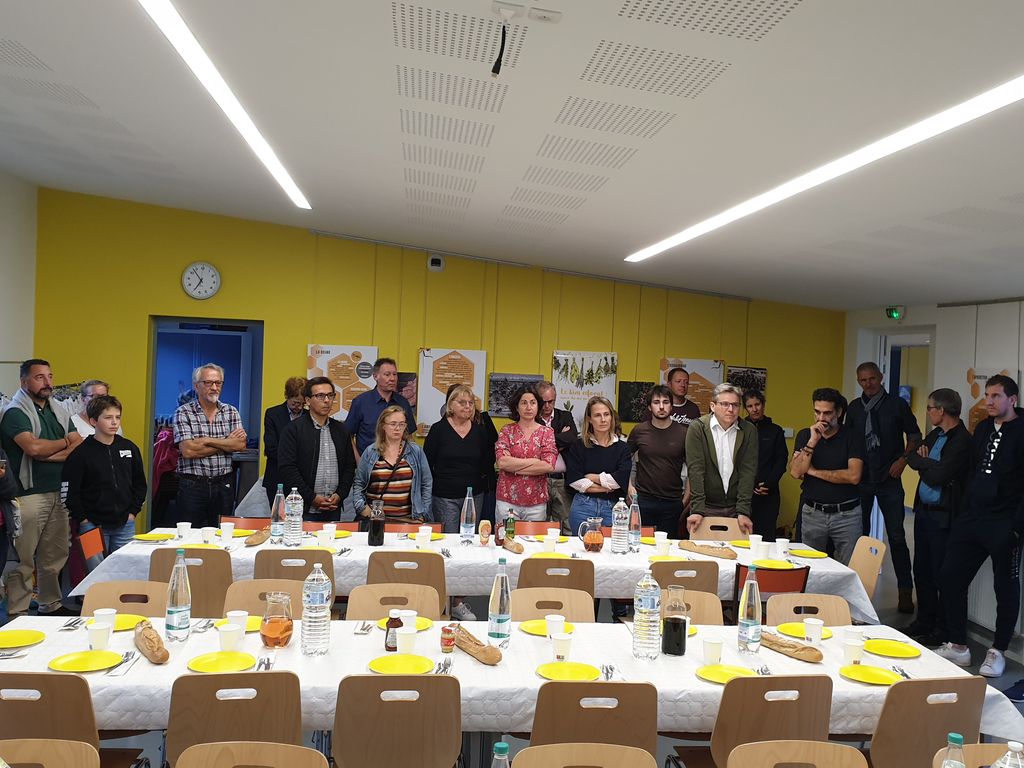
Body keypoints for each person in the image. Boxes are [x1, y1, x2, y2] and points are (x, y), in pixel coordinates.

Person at [936, 375, 1024, 677]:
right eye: (987, 395)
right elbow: (973, 470)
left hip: (1005, 523)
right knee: (950, 576)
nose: (989, 401)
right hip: (973, 518)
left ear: (1012, 399)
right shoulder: (984, 428)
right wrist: (964, 510)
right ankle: (958, 645)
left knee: (1005, 587)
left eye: (996, 396)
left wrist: (1016, 528)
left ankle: (998, 650)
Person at [0, 359, 82, 616]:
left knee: (54, 555)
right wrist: (63, 443)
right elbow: (33, 448)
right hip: (27, 495)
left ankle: (50, 604)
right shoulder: (15, 413)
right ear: (23, 381)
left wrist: (48, 453)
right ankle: (18, 612)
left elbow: (78, 444)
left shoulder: (58, 410)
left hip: (58, 491)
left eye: (50, 376)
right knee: (23, 559)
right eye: (39, 377)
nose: (47, 382)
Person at [845, 361, 922, 613]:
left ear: (881, 377)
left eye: (872, 378)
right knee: (859, 536)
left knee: (897, 537)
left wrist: (904, 460)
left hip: (890, 478)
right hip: (862, 480)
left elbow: (915, 435)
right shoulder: (854, 408)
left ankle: (905, 592)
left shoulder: (897, 405)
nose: (868, 384)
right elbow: (848, 441)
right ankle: (857, 592)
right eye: (863, 380)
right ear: (858, 381)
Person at [902, 388, 970, 647]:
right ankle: (924, 621)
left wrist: (926, 465)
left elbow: (940, 477)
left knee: (940, 574)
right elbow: (912, 457)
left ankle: (941, 629)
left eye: (930, 408)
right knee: (922, 571)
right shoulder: (935, 434)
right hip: (924, 512)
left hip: (944, 517)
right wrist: (930, 464)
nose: (928, 412)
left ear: (941, 410)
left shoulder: (962, 440)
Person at [423, 384, 497, 621]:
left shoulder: (480, 431)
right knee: (448, 547)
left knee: (468, 547)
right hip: (444, 495)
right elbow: (428, 464)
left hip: (474, 496)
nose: (467, 407)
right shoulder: (439, 430)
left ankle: (458, 601)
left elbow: (487, 463)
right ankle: (442, 599)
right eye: (462, 403)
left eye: (471, 403)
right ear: (450, 406)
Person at [60, 395, 147, 553]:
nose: (114, 422)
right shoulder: (80, 454)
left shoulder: (129, 447)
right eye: (108, 417)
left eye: (117, 417)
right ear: (93, 421)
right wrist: (83, 520)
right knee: (95, 568)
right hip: (90, 525)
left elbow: (140, 483)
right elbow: (70, 492)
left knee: (124, 566)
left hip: (125, 524)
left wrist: (133, 512)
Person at [789, 388, 864, 565]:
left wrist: (813, 471)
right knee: (809, 567)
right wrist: (812, 441)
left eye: (827, 413)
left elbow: (854, 476)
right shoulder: (806, 436)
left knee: (848, 567)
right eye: (817, 412)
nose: (821, 418)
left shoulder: (853, 436)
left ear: (838, 412)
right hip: (813, 513)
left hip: (847, 514)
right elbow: (796, 472)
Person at [172, 363, 247, 528]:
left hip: (224, 484)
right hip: (192, 485)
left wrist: (206, 440)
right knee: (189, 534)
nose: (214, 387)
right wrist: (226, 441)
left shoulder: (231, 411)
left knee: (222, 533)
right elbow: (188, 451)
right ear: (196, 386)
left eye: (218, 383)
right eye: (208, 383)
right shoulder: (183, 412)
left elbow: (240, 445)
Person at [277, 377, 356, 521]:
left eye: (330, 395)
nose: (326, 400)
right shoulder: (293, 430)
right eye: (320, 396)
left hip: (333, 507)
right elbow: (288, 468)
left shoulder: (341, 430)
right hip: (301, 509)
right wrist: (311, 497)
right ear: (307, 401)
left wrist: (340, 494)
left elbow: (349, 466)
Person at [685, 383, 758, 536]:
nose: (730, 409)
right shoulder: (698, 428)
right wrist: (697, 509)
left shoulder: (749, 430)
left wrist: (743, 510)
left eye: (735, 405)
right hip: (705, 507)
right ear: (713, 406)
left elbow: (747, 472)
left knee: (738, 550)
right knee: (703, 550)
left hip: (736, 508)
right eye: (725, 404)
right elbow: (696, 470)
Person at [352, 405, 432, 522]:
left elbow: (426, 484)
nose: (397, 428)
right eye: (393, 424)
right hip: (376, 520)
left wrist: (423, 514)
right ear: (383, 426)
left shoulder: (415, 451)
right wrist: (363, 509)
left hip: (408, 520)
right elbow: (359, 484)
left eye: (402, 424)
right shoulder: (371, 452)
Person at [564, 396, 631, 534]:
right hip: (583, 506)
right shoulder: (578, 446)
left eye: (606, 414)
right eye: (597, 415)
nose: (603, 419)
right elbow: (575, 480)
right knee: (582, 546)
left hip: (613, 508)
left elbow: (621, 480)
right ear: (589, 419)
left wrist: (592, 477)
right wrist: (606, 488)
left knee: (612, 547)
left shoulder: (623, 448)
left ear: (612, 417)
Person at [627, 385, 687, 534]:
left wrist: (684, 501)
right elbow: (623, 461)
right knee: (640, 544)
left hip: (672, 502)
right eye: (656, 402)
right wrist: (629, 486)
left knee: (669, 546)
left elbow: (694, 469)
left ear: (671, 406)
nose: (661, 406)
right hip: (643, 500)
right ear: (649, 406)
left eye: (666, 402)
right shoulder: (639, 430)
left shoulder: (684, 433)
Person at [495, 384, 557, 522]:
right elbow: (502, 463)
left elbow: (548, 465)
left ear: (538, 406)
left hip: (536, 503)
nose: (529, 407)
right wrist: (535, 462)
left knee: (534, 537)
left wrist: (514, 467)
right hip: (507, 501)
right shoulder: (507, 431)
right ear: (517, 407)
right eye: (524, 403)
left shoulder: (547, 432)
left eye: (533, 403)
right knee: (506, 535)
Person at [344, 358, 416, 460]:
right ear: (375, 376)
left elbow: (409, 436)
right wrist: (359, 461)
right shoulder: (361, 402)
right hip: (369, 462)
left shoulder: (403, 402)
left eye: (394, 374)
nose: (392, 378)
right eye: (387, 374)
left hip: (397, 463)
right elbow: (348, 435)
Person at [743, 389, 789, 539]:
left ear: (763, 405)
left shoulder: (775, 431)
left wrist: (768, 484)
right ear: (745, 408)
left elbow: (781, 461)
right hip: (744, 492)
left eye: (757, 404)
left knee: (766, 537)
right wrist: (751, 484)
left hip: (769, 493)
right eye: (750, 406)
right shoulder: (740, 429)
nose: (754, 409)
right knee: (743, 536)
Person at [536, 381, 579, 534]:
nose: (547, 406)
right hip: (539, 479)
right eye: (543, 402)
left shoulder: (565, 416)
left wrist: (544, 443)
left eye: (551, 401)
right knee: (540, 524)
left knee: (566, 524)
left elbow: (572, 438)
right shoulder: (532, 419)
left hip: (562, 481)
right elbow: (533, 446)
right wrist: (560, 438)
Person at [262, 376, 306, 505]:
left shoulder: (309, 416)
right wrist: (298, 458)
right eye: (295, 403)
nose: (299, 407)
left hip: (303, 480)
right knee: (278, 515)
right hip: (277, 477)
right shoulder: (272, 414)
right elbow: (271, 448)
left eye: (302, 403)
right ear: (287, 396)